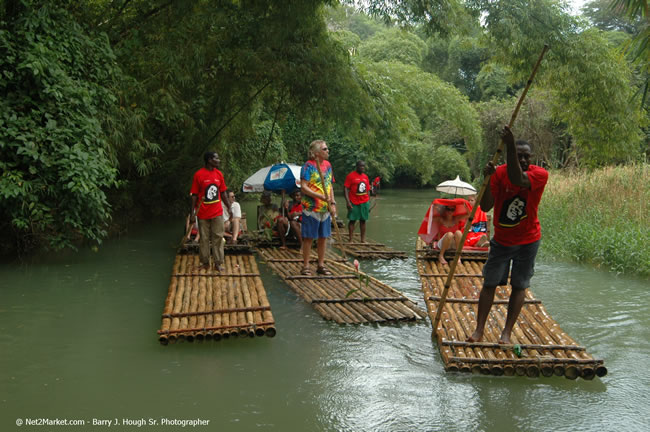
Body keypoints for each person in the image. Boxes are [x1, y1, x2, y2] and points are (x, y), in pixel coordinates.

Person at [468, 126, 548, 344]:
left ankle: (506, 332)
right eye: (518, 155)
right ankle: (479, 329)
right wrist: (485, 182)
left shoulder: (539, 175)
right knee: (490, 283)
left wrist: (510, 144)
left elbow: (518, 179)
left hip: (528, 240)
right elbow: (485, 206)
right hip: (502, 241)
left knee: (520, 285)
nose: (522, 159)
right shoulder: (500, 173)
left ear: (531, 158)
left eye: (526, 156)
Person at [190, 152, 231, 272]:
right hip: (202, 213)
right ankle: (205, 262)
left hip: (217, 212)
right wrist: (192, 213)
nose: (219, 160)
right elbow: (194, 195)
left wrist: (229, 207)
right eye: (216, 158)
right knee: (204, 238)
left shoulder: (219, 174)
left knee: (218, 237)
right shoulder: (199, 175)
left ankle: (218, 263)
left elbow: (223, 192)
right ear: (209, 160)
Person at [300, 139, 336, 276]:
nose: (327, 151)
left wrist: (332, 203)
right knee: (309, 237)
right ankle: (306, 266)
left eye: (327, 149)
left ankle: (320, 265)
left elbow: (330, 185)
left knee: (323, 237)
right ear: (316, 153)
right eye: (325, 149)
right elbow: (303, 187)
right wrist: (320, 197)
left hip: (325, 208)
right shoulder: (308, 166)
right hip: (311, 208)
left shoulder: (328, 165)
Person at [344, 160, 370, 243]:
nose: (362, 168)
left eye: (363, 166)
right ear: (357, 167)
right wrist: (348, 202)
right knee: (352, 220)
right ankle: (350, 239)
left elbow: (368, 190)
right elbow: (345, 188)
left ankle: (363, 240)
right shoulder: (351, 176)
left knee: (363, 220)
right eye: (360, 166)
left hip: (364, 201)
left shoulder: (365, 177)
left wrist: (368, 203)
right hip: (354, 201)